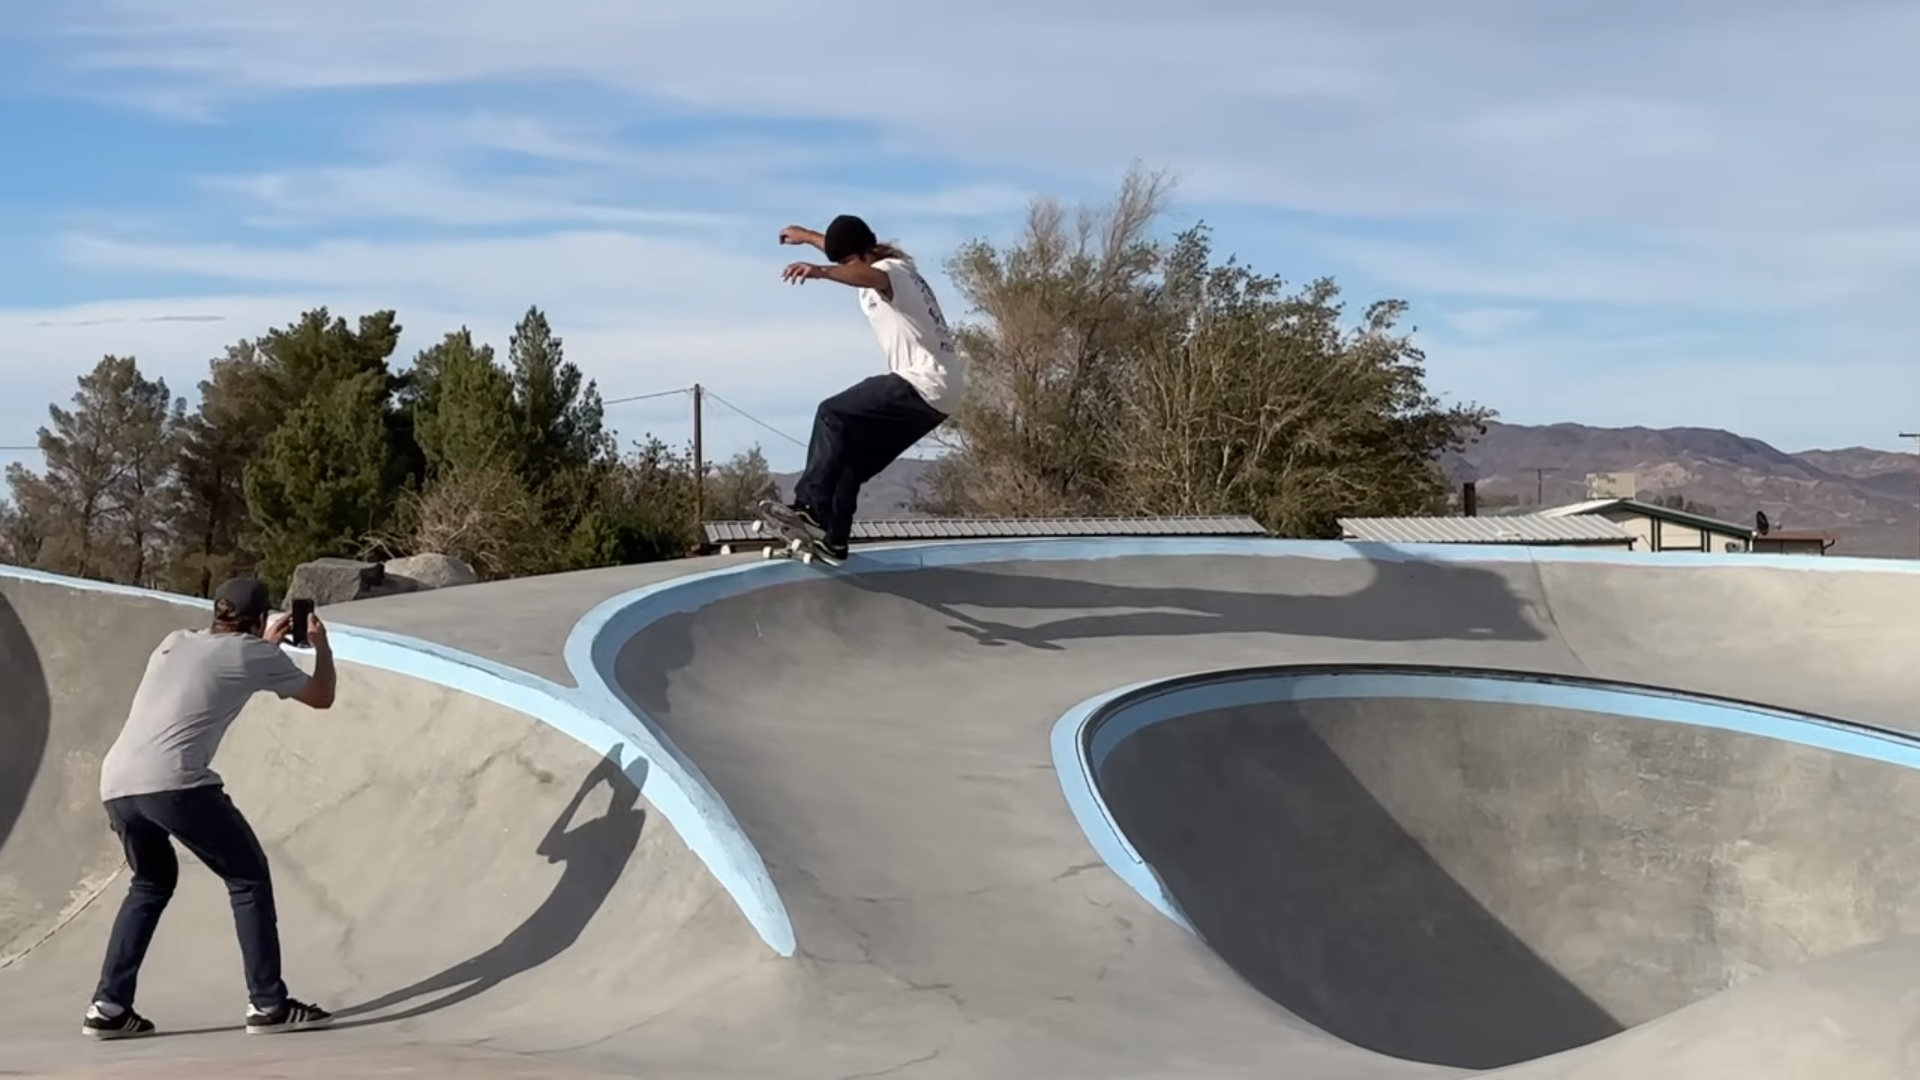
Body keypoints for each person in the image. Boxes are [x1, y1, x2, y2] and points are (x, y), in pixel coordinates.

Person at [82, 577, 338, 1040]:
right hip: (175, 784)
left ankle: (109, 1007)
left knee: (150, 883)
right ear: (261, 620)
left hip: (117, 783)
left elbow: (217, 663)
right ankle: (268, 1004)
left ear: (216, 614)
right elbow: (322, 697)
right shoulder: (257, 655)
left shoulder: (174, 641)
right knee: (248, 878)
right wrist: (321, 647)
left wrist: (259, 643)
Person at [773, 214, 967, 560]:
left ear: (864, 254)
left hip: (920, 381)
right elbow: (846, 251)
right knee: (849, 460)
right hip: (942, 396)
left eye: (847, 264)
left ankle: (810, 508)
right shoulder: (869, 257)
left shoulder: (892, 271)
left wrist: (820, 271)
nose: (846, 269)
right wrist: (806, 236)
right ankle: (834, 540)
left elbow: (869, 274)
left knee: (832, 412)